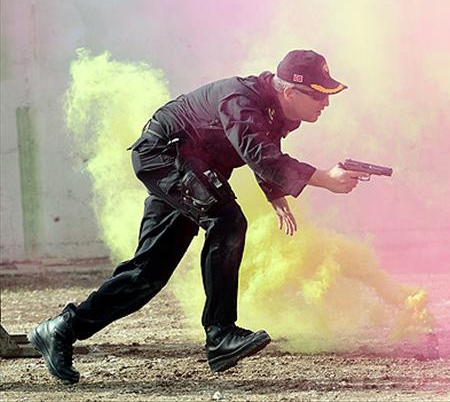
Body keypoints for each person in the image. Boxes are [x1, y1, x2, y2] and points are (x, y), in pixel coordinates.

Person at [29, 49, 364, 384]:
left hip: (191, 168)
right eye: (319, 95)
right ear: (290, 92)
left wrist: (276, 196)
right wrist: (325, 179)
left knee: (147, 275)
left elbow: (264, 149)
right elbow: (260, 154)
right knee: (228, 221)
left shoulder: (279, 110)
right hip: (166, 156)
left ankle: (60, 329)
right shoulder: (241, 99)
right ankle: (220, 333)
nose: (326, 103)